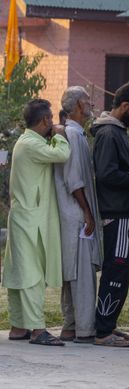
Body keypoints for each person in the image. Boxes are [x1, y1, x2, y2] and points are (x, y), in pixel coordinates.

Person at [4, 99, 70, 346]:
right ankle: (37, 329)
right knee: (30, 275)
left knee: (19, 273)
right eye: (51, 119)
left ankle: (19, 326)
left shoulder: (28, 141)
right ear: (45, 120)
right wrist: (61, 135)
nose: (53, 123)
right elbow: (62, 154)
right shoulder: (31, 143)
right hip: (29, 219)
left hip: (26, 217)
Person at [92, 80, 129, 347]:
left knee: (122, 272)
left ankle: (109, 324)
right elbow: (106, 175)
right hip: (117, 212)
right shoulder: (108, 134)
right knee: (116, 271)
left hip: (125, 211)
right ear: (124, 106)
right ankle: (103, 330)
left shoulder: (117, 132)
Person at [54, 87, 102, 345]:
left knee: (74, 273)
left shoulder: (75, 133)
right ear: (75, 106)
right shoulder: (71, 134)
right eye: (86, 101)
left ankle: (71, 326)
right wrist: (87, 213)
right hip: (76, 214)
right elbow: (74, 181)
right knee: (80, 275)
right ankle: (83, 328)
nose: (90, 103)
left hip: (74, 213)